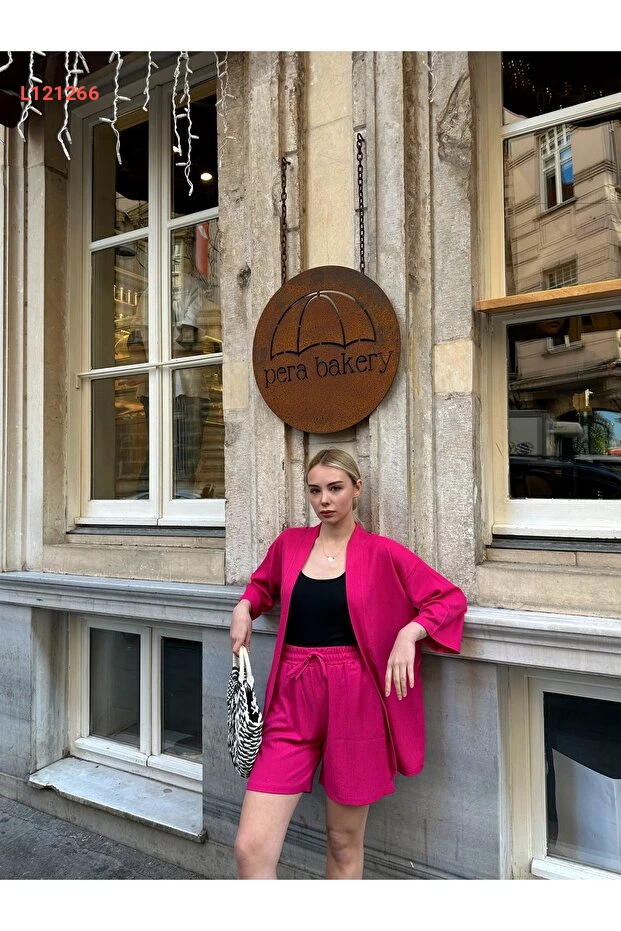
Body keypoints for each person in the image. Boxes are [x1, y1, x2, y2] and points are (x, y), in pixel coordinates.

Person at [229, 447, 467, 880]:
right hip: (292, 698)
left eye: (335, 488)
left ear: (357, 489)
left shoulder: (382, 553)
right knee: (250, 848)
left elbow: (447, 599)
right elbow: (262, 585)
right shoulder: (290, 544)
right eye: (314, 490)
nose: (324, 500)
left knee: (342, 843)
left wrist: (410, 633)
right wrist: (244, 606)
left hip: (356, 701)